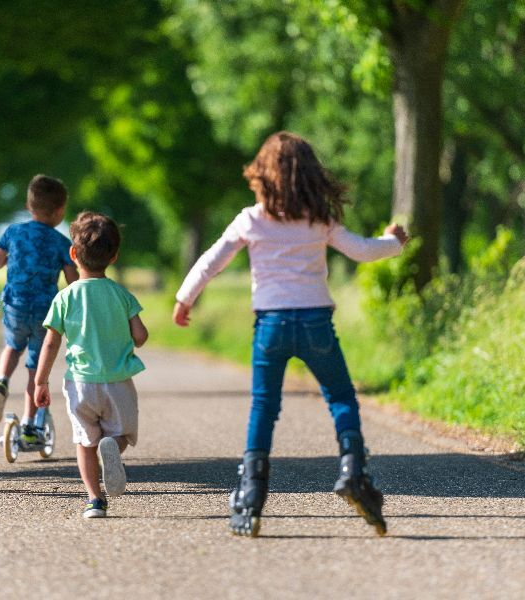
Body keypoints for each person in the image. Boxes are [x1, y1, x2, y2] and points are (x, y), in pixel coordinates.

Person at [173, 131, 408, 537]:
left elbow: (212, 261)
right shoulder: (319, 219)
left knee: (264, 406)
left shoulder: (250, 219)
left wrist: (184, 298)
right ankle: (353, 468)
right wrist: (395, 242)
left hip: (271, 326)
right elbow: (363, 250)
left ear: (262, 174)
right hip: (316, 322)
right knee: (340, 398)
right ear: (310, 175)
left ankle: (251, 492)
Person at [34, 212, 148, 519]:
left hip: (80, 383)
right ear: (114, 256)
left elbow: (50, 343)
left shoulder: (65, 297)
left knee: (84, 443)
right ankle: (113, 446)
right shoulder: (121, 294)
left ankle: (94, 500)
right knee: (121, 433)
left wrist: (40, 381)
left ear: (73, 254)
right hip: (118, 381)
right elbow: (141, 336)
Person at [0, 175, 79, 442]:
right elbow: (73, 282)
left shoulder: (13, 232)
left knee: (12, 347)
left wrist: (11, 258)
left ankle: (1, 380)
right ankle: (28, 426)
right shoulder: (61, 243)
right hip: (45, 312)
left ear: (29, 205)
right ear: (60, 212)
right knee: (36, 368)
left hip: (15, 304)